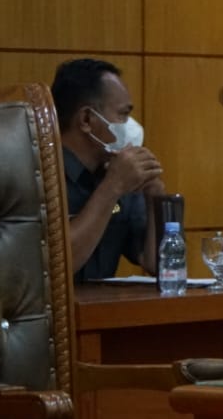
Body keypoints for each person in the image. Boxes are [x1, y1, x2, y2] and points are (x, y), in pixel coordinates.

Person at [52, 58, 166, 281]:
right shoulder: (42, 176)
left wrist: (156, 198)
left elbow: (158, 264)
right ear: (86, 119)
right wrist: (112, 187)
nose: (132, 125)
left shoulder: (118, 175)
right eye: (123, 114)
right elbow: (58, 266)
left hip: (103, 312)